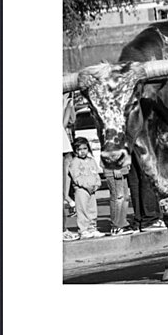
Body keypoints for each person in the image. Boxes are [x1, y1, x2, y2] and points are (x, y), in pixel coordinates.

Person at [66, 137, 105, 239]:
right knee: (82, 210)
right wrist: (86, 186)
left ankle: (92, 228)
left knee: (92, 209)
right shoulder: (75, 162)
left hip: (92, 190)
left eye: (84, 148)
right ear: (75, 151)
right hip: (81, 190)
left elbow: (96, 173)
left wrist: (97, 184)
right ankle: (83, 230)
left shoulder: (91, 161)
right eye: (79, 149)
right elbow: (76, 177)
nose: (82, 152)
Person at [62, 93, 80, 241]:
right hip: (63, 144)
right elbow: (69, 121)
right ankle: (62, 229)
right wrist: (69, 105)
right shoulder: (66, 100)